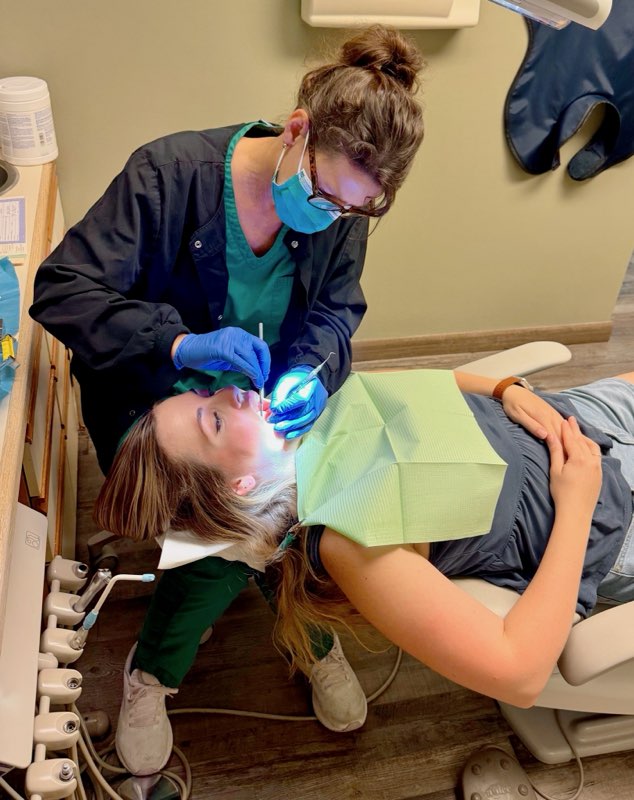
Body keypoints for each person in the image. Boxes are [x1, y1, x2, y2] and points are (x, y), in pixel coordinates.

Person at [30, 24, 427, 774]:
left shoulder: (339, 206)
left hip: (255, 406)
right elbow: (61, 291)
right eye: (320, 194)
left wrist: (310, 368)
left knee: (311, 493)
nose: (328, 216)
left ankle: (298, 619)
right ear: (297, 131)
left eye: (351, 210)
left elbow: (337, 312)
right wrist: (177, 345)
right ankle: (155, 670)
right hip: (162, 409)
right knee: (232, 529)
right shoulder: (167, 176)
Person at [95, 368, 634, 730]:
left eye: (207, 394)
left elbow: (431, 386)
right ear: (239, 486)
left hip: (576, 413)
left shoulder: (313, 412)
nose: (232, 394)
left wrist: (505, 388)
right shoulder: (348, 539)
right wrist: (578, 501)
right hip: (606, 509)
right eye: (213, 419)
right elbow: (519, 674)